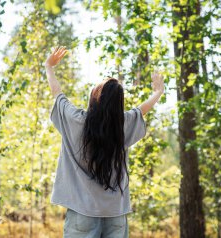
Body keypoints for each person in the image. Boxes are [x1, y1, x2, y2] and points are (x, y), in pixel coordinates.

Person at [45, 46, 164, 238]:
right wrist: (158, 92)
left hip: (81, 211)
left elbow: (57, 93)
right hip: (115, 212)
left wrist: (49, 67)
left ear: (95, 97)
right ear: (119, 103)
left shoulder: (76, 120)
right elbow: (142, 109)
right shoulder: (122, 126)